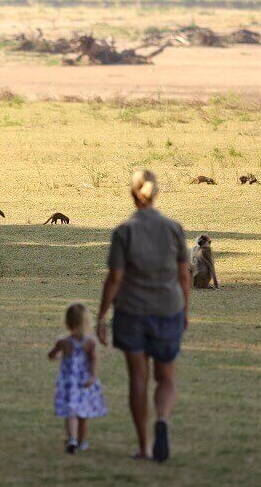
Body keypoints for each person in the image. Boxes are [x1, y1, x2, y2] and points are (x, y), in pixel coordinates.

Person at [96, 169, 190, 463]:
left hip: (132, 312)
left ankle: (145, 446)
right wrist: (184, 311)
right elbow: (184, 276)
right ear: (155, 193)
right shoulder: (174, 228)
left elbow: (114, 279)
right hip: (168, 309)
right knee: (166, 378)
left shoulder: (124, 231)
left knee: (138, 378)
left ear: (133, 194)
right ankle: (162, 418)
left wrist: (100, 317)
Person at [48, 303, 108, 454]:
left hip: (68, 382)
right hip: (85, 382)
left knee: (71, 412)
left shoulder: (63, 342)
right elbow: (94, 360)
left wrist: (56, 355)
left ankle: (72, 439)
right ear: (87, 321)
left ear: (67, 321)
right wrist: (93, 376)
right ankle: (82, 441)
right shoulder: (90, 342)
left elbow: (52, 355)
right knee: (83, 414)